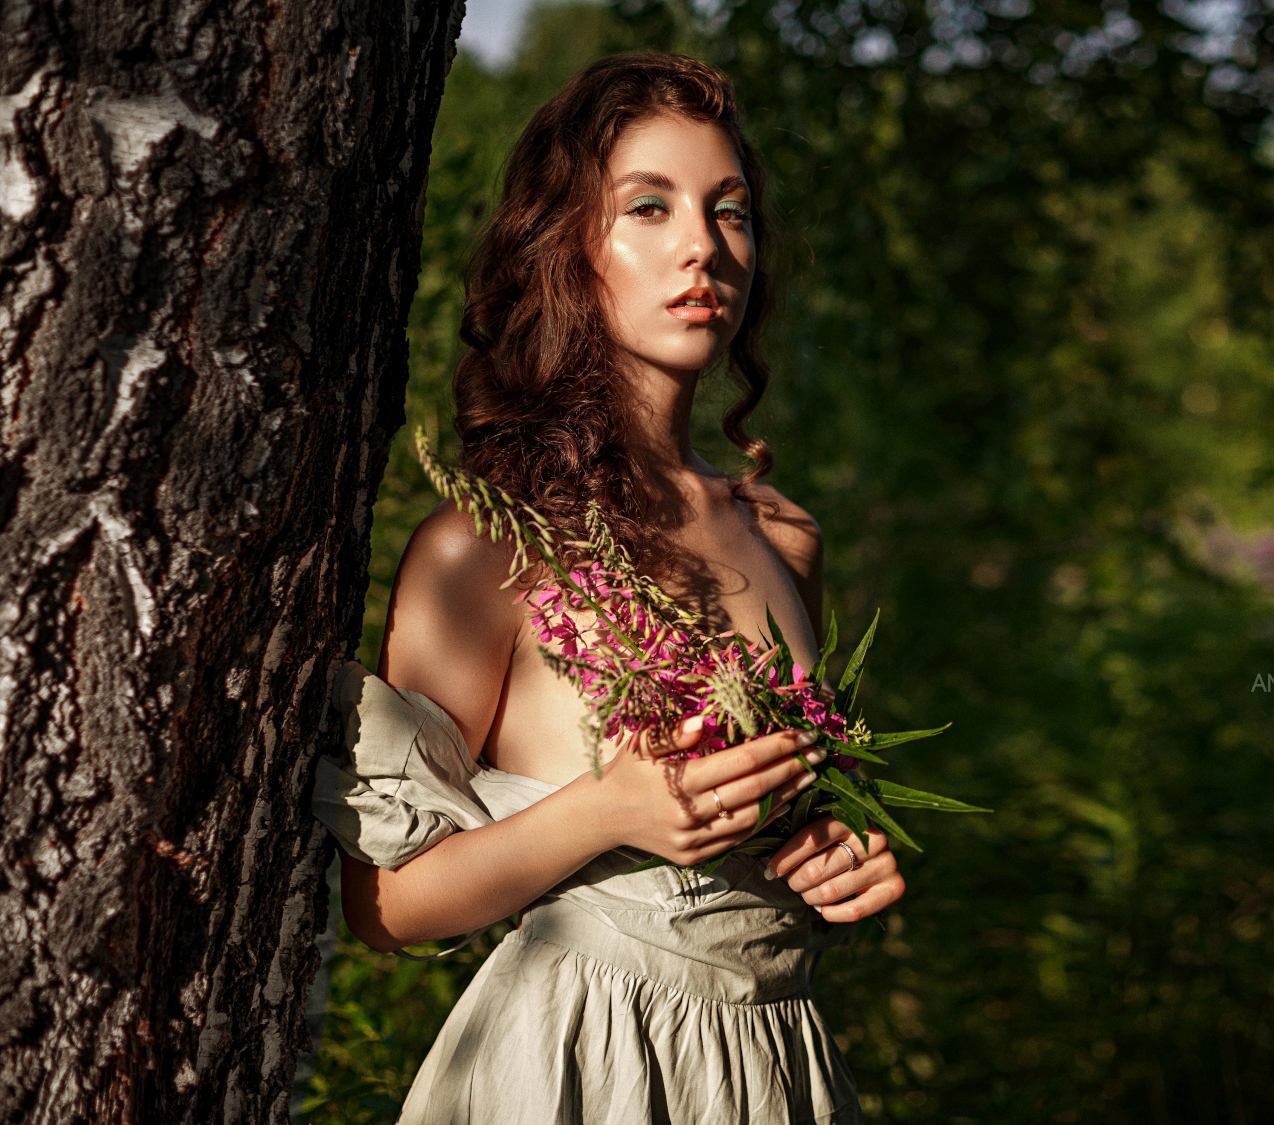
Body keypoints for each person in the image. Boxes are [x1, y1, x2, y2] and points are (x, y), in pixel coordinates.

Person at [313, 53, 900, 1125]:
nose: (701, 246)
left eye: (730, 213)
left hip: (774, 1064)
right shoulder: (479, 549)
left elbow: (795, 810)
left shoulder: (781, 535)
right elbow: (389, 906)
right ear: (567, 251)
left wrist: (840, 855)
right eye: (648, 206)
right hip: (582, 1059)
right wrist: (608, 809)